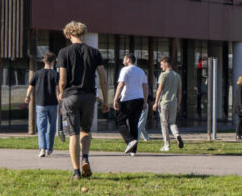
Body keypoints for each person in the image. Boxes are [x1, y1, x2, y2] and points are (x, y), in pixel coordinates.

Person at [56, 21, 109, 180]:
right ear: (83, 34)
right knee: (86, 130)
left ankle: (76, 172)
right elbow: (103, 79)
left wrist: (61, 92)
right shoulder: (94, 52)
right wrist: (106, 101)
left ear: (68, 34)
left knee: (73, 135)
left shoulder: (64, 53)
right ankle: (85, 157)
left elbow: (63, 79)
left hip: (71, 96)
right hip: (88, 96)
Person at [24, 51, 59, 157]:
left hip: (40, 104)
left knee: (41, 127)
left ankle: (42, 149)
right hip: (53, 103)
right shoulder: (56, 74)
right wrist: (61, 104)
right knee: (51, 127)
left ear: (44, 60)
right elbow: (58, 91)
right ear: (53, 62)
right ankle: (49, 149)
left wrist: (27, 96)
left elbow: (30, 86)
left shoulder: (37, 73)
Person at [113, 52, 149, 155]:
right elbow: (145, 87)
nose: (123, 61)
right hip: (139, 99)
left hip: (127, 99)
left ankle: (130, 141)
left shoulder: (125, 70)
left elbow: (121, 85)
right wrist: (145, 101)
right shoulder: (141, 71)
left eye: (124, 59)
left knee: (120, 122)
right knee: (134, 124)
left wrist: (115, 99)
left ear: (128, 59)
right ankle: (133, 151)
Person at [151, 56, 183, 151]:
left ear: (166, 64)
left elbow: (159, 90)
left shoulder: (163, 75)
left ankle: (167, 145)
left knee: (164, 124)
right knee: (172, 122)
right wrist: (179, 104)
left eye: (161, 64)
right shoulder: (177, 76)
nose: (161, 67)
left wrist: (156, 103)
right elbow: (179, 92)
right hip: (174, 103)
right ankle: (177, 135)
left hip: (164, 103)